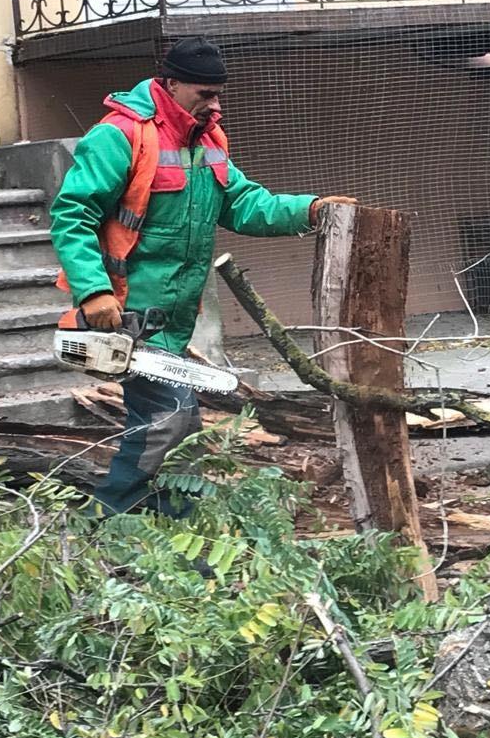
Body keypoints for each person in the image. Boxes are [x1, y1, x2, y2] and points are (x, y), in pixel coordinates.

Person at [50, 36, 354, 518]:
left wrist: (311, 210)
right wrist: (93, 291)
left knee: (179, 419)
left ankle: (174, 523)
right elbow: (72, 214)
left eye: (218, 92)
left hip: (173, 319)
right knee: (168, 420)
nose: (215, 103)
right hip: (125, 314)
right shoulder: (121, 135)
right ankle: (105, 521)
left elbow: (247, 203)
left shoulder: (208, 140)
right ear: (171, 84)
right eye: (205, 93)